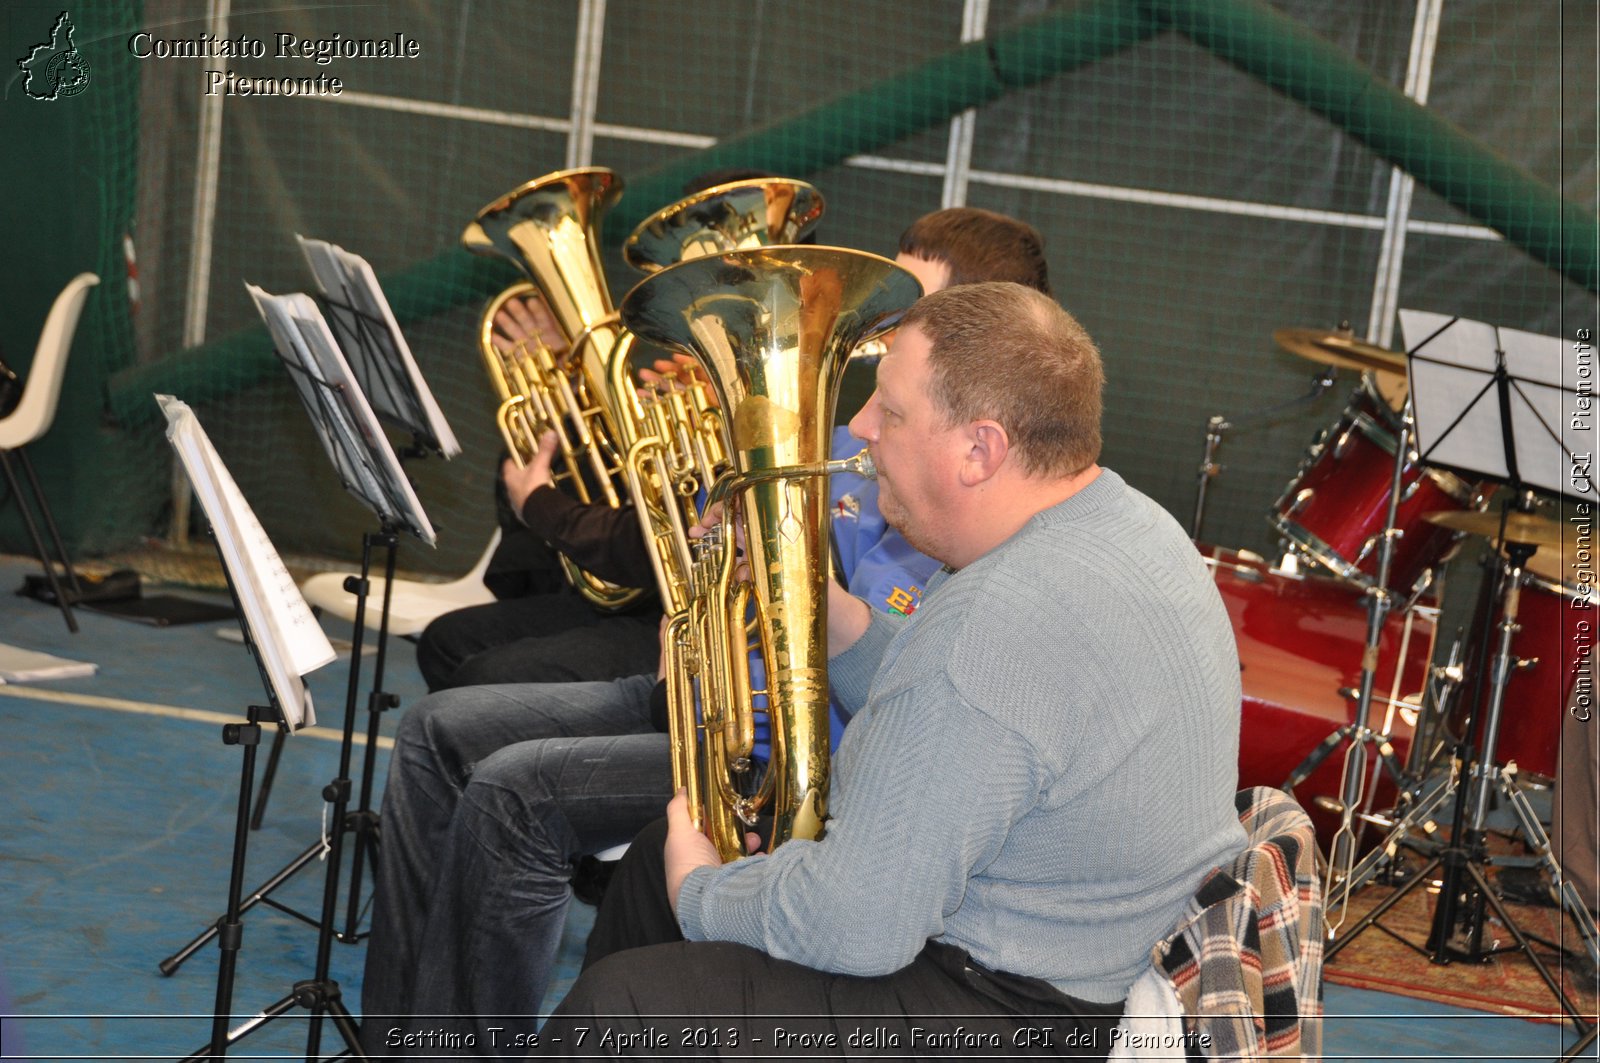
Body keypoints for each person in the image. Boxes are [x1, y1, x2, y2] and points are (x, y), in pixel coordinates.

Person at [358, 208, 1056, 1058]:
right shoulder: (844, 441)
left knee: (516, 792)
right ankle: (401, 1034)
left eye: (909, 314)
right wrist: (713, 507)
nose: (880, 336)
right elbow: (684, 548)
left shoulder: (968, 514)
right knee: (434, 731)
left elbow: (897, 692)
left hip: (779, 756)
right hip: (708, 697)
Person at [533, 282, 1248, 1060]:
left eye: (892, 411)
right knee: (647, 865)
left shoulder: (995, 620)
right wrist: (826, 611)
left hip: (998, 1007)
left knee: (621, 1007)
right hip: (1080, 960)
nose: (862, 429)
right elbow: (989, 724)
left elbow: (857, 923)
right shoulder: (1129, 524)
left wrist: (700, 891)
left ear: (981, 449)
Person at [413, 292, 663, 691]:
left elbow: (653, 538)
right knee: (445, 642)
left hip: (686, 620)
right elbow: (614, 498)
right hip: (641, 592)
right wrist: (574, 390)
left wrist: (541, 506)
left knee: (487, 678)